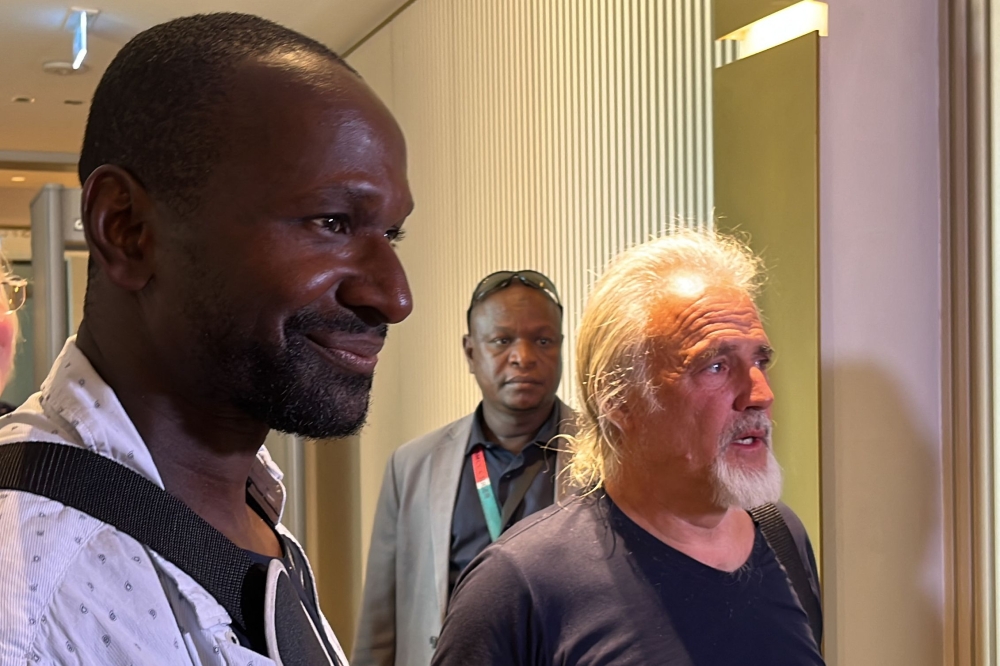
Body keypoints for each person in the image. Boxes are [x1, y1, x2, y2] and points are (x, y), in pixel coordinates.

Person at [0, 13, 413, 665]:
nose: (394, 296)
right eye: (333, 222)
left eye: (391, 235)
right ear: (128, 228)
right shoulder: (26, 594)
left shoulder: (247, 506)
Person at [431, 231, 824, 666]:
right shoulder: (517, 586)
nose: (760, 394)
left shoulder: (782, 534)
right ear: (618, 401)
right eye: (715, 365)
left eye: (759, 362)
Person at [353, 270, 577, 666]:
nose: (523, 357)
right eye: (502, 341)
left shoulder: (608, 459)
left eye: (542, 341)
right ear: (471, 352)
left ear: (560, 347)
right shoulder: (412, 466)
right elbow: (379, 627)